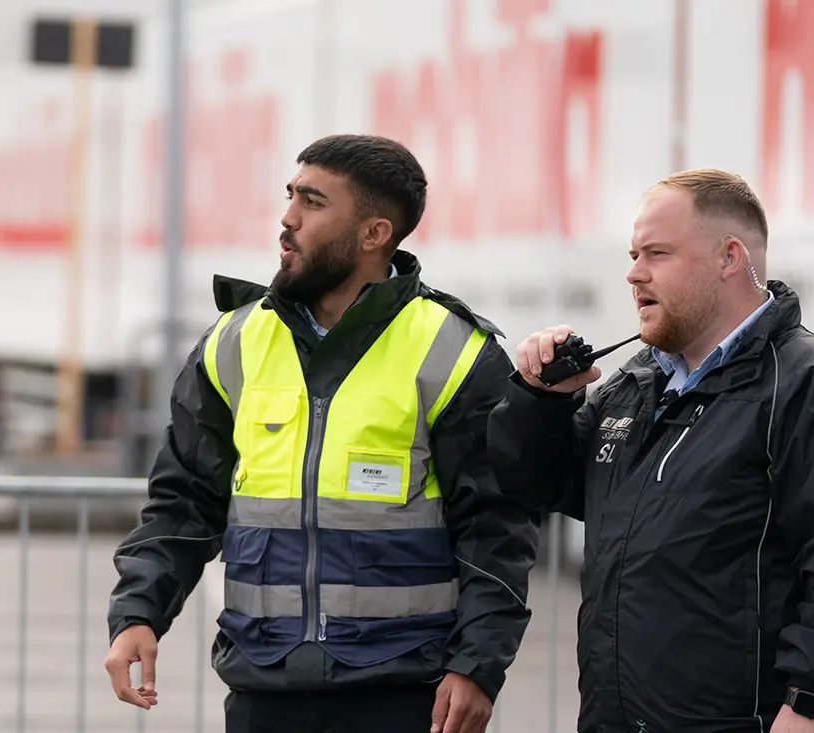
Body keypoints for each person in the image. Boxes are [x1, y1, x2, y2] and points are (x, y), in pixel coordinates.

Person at [104, 133, 539, 733]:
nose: (287, 219)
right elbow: (182, 504)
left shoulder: (453, 351)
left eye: (312, 202)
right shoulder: (234, 343)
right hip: (264, 686)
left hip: (403, 695)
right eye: (291, 196)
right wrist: (137, 613)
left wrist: (478, 666)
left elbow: (495, 529)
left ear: (373, 234)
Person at [487, 169, 814, 733]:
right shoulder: (636, 383)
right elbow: (540, 485)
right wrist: (540, 402)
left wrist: (812, 702)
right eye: (633, 254)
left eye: (657, 253)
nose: (634, 274)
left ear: (729, 258)